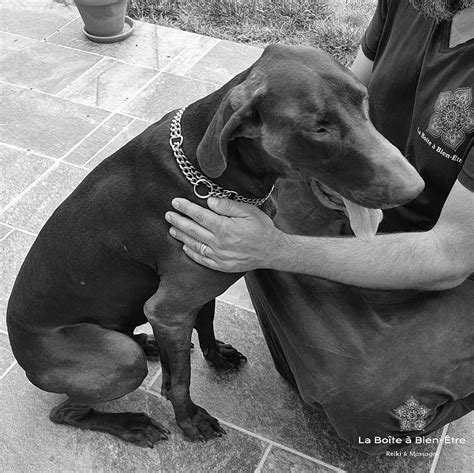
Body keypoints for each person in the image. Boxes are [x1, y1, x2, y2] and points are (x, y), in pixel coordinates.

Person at [164, 0, 474, 455]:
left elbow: (451, 256)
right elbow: (342, 95)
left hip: (459, 255)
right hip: (378, 200)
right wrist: (324, 173)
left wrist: (274, 249)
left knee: (378, 409)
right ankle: (318, 351)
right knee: (236, 204)